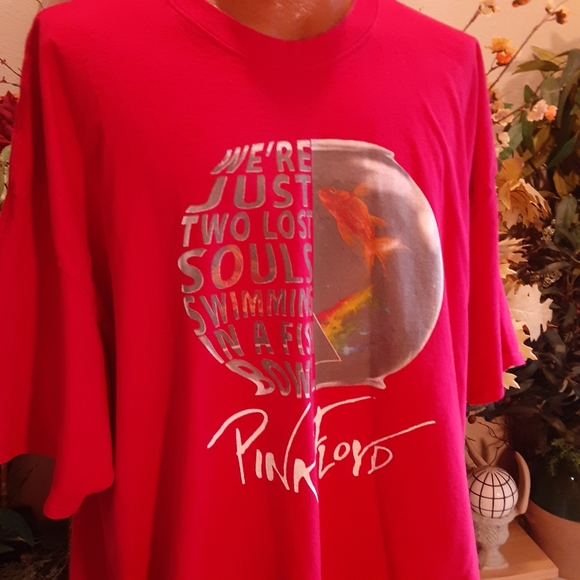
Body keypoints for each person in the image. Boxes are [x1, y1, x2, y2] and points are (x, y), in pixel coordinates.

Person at [0, 0, 523, 578]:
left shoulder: (448, 64)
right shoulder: (78, 52)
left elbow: (457, 356)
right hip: (195, 542)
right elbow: (58, 355)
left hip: (396, 541)